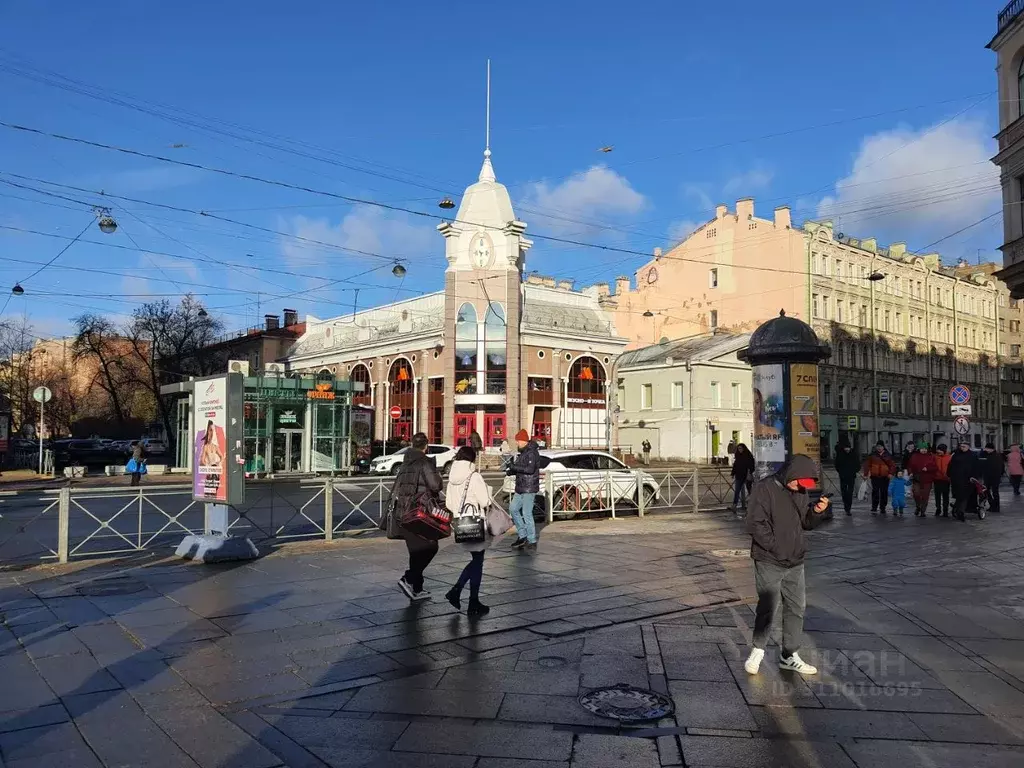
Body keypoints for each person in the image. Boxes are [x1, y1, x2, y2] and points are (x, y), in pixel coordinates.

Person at [744, 454, 830, 677]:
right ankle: (758, 650)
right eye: (798, 482)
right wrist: (776, 547)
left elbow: (806, 523)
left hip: (795, 561)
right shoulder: (764, 488)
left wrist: (817, 513)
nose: (800, 487)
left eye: (805, 485)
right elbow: (754, 523)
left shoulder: (800, 490)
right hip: (769, 559)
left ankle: (789, 655)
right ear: (791, 474)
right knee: (768, 607)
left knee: (796, 608)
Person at [393, 432, 444, 601]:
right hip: (420, 513)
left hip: (403, 512)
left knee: (416, 551)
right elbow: (435, 485)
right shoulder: (424, 462)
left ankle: (417, 588)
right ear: (426, 446)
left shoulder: (405, 463)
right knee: (430, 547)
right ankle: (408, 578)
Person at [444, 446, 492, 616]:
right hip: (475, 522)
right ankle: (463, 595)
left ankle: (468, 598)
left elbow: (449, 504)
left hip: (461, 523)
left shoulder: (451, 478)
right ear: (472, 460)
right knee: (478, 561)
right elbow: (485, 501)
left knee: (476, 560)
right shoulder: (474, 476)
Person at [507, 429, 540, 552]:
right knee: (513, 509)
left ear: (524, 440)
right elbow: (521, 468)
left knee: (527, 513)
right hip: (521, 487)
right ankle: (522, 535)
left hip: (529, 487)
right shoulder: (524, 452)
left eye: (518, 441)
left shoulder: (532, 452)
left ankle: (531, 540)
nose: (517, 443)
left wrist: (514, 467)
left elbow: (530, 469)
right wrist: (511, 470)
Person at [862, 441, 896, 515]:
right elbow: (867, 465)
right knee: (875, 492)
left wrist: (891, 473)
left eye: (880, 446)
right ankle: (874, 507)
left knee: (884, 492)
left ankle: (883, 507)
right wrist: (865, 474)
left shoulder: (888, 455)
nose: (879, 448)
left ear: (883, 447)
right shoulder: (872, 455)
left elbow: (892, 466)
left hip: (885, 477)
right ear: (876, 447)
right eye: (878, 446)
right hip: (875, 477)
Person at [905, 441, 938, 517]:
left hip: (927, 479)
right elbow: (909, 466)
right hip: (917, 478)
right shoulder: (914, 456)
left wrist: (928, 468)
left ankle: (923, 511)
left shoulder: (931, 456)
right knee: (916, 494)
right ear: (919, 449)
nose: (924, 450)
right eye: (922, 448)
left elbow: (935, 467)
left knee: (925, 496)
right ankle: (918, 506)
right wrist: (910, 473)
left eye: (925, 448)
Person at [948, 441, 978, 522]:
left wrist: (974, 477)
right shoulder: (956, 454)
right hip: (956, 479)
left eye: (964, 446)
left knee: (964, 496)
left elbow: (976, 467)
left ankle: (960, 512)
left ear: (968, 447)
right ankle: (958, 510)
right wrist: (949, 475)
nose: (962, 448)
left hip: (967, 480)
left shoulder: (972, 455)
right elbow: (950, 465)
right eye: (961, 446)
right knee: (959, 496)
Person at [833, 439, 860, 516]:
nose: (847, 449)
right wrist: (841, 472)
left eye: (848, 448)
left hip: (851, 476)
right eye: (846, 448)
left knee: (850, 492)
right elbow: (837, 465)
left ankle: (848, 508)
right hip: (843, 476)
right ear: (843, 448)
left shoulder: (853, 454)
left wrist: (855, 470)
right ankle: (846, 506)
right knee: (844, 492)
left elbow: (857, 464)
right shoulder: (840, 454)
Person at [977, 443, 1005, 514]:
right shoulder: (996, 455)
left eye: (986, 448)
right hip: (992, 476)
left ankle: (994, 506)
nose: (985, 449)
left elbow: (985, 465)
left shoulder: (993, 456)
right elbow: (1002, 466)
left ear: (990, 449)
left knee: (991, 491)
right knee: (990, 491)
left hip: (991, 476)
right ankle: (994, 506)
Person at [730, 443, 755, 511]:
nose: (739, 450)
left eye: (741, 448)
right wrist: (733, 473)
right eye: (738, 449)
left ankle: (753, 504)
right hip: (739, 476)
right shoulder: (738, 456)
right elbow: (735, 465)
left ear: (744, 448)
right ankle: (734, 505)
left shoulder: (748, 456)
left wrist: (750, 472)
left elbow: (752, 465)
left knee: (750, 491)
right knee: (737, 491)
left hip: (747, 476)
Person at [933, 444, 952, 517]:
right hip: (937, 479)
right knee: (937, 495)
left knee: (945, 495)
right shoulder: (935, 457)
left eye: (940, 450)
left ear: (944, 450)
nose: (939, 451)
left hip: (946, 479)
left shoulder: (949, 457)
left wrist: (949, 476)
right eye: (938, 450)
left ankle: (945, 510)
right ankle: (938, 508)